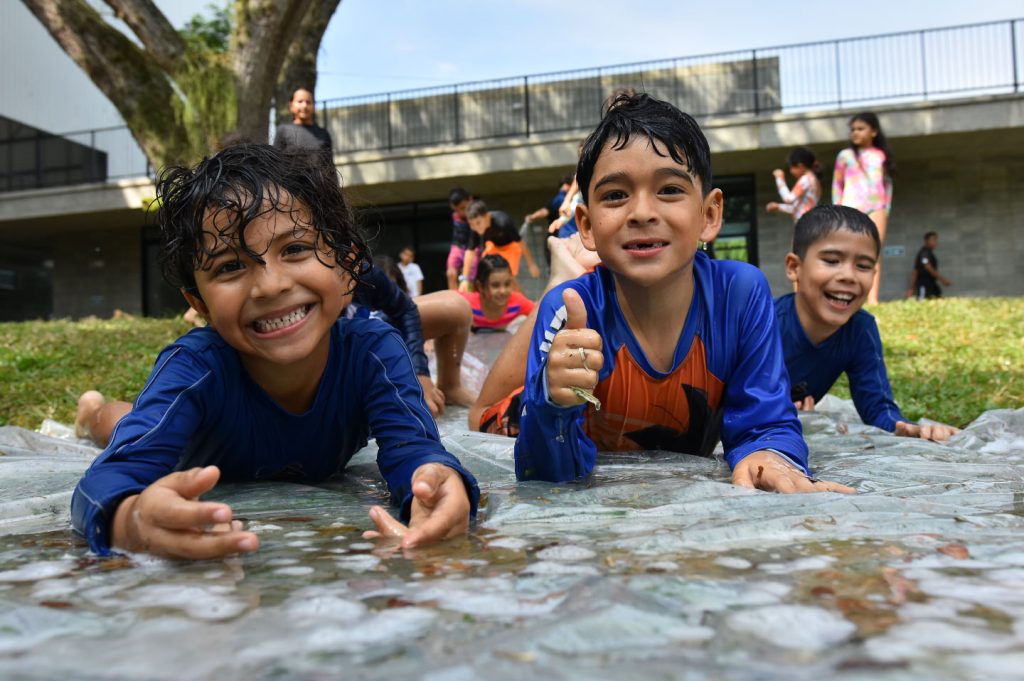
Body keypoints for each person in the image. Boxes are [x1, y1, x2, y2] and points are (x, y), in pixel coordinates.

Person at [70, 144, 479, 559]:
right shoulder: (195, 367)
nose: (271, 286)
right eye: (230, 266)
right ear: (199, 304)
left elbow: (415, 448)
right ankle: (91, 411)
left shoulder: (374, 353)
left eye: (295, 249)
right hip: (189, 441)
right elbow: (111, 477)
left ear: (347, 266)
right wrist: (130, 519)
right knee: (118, 424)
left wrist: (436, 484)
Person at [512, 92, 852, 494]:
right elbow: (545, 472)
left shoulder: (739, 294)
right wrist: (552, 405)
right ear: (585, 225)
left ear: (709, 215)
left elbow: (766, 422)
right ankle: (559, 280)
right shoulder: (571, 311)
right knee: (488, 412)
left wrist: (767, 454)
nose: (641, 212)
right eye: (615, 195)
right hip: (522, 404)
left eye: (669, 190)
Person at [778, 205, 959, 441]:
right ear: (794, 267)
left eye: (863, 266)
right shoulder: (763, 326)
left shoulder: (860, 329)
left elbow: (877, 409)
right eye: (832, 260)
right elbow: (733, 400)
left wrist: (905, 428)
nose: (849, 276)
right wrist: (778, 412)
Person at [832, 112, 894, 305]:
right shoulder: (845, 156)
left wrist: (886, 209)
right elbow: (837, 184)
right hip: (851, 207)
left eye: (861, 129)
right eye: (853, 130)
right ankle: (849, 296)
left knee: (873, 252)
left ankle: (872, 298)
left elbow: (888, 184)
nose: (855, 133)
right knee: (848, 252)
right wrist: (837, 211)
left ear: (873, 131)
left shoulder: (881, 156)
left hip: (877, 207)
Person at [467, 200, 541, 287]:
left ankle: (522, 299)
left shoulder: (503, 222)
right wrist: (465, 277)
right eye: (472, 224)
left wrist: (531, 265)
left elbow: (521, 244)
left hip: (511, 247)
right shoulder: (475, 228)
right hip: (494, 246)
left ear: (487, 217)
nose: (476, 227)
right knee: (485, 270)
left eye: (478, 223)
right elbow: (469, 252)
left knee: (509, 278)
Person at [459, 255, 534, 332]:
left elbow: (539, 314)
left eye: (507, 284)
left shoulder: (518, 303)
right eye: (495, 285)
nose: (503, 291)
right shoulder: (467, 304)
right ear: (481, 287)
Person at [273, 88, 333, 171]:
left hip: (318, 183)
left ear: (313, 106)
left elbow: (330, 166)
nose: (304, 106)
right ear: (291, 105)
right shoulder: (283, 130)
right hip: (291, 182)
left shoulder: (323, 134)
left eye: (308, 102)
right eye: (300, 101)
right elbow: (276, 162)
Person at [766, 146, 821, 222]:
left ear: (800, 166)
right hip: (810, 223)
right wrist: (778, 207)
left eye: (792, 167)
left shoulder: (805, 180)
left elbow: (788, 199)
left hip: (805, 224)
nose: (791, 172)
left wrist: (779, 179)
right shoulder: (814, 180)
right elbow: (797, 208)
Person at [446, 187, 478, 290]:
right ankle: (454, 301)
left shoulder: (478, 213)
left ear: (471, 199)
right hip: (458, 246)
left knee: (471, 274)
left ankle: (472, 297)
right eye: (457, 210)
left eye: (463, 208)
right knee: (451, 273)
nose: (461, 213)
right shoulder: (456, 215)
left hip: (474, 247)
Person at [908, 231, 950, 299]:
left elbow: (916, 270)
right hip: (924, 284)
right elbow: (926, 267)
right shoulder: (924, 253)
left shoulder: (929, 253)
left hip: (932, 284)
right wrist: (942, 280)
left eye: (936, 240)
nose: (935, 242)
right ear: (926, 241)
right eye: (933, 239)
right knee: (923, 303)